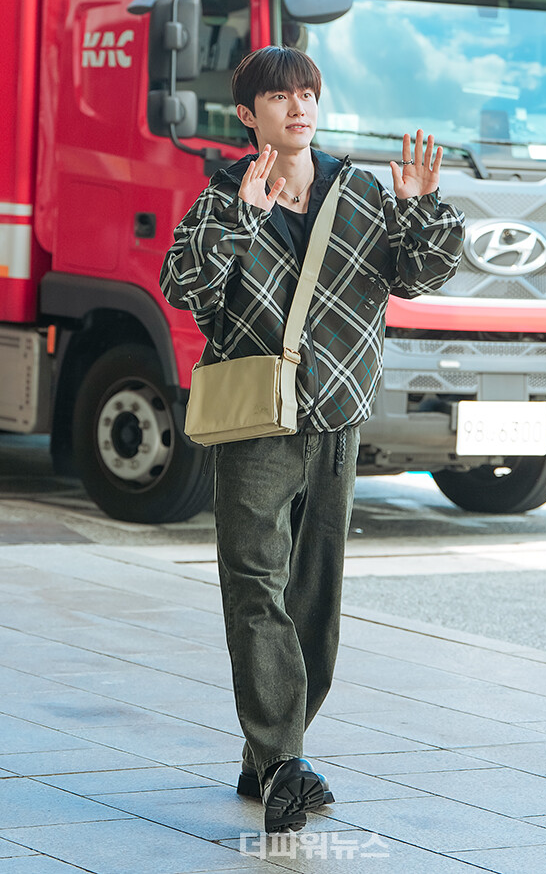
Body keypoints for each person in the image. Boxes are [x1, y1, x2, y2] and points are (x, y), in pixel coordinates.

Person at [160, 46, 464, 834]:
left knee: (315, 599)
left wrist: (422, 206)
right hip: (260, 422)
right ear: (248, 115)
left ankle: (271, 752)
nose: (297, 107)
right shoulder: (225, 196)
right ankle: (286, 763)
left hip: (338, 420)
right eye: (279, 96)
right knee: (255, 587)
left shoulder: (358, 192)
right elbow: (184, 288)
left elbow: (419, 276)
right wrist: (241, 218)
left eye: (307, 94)